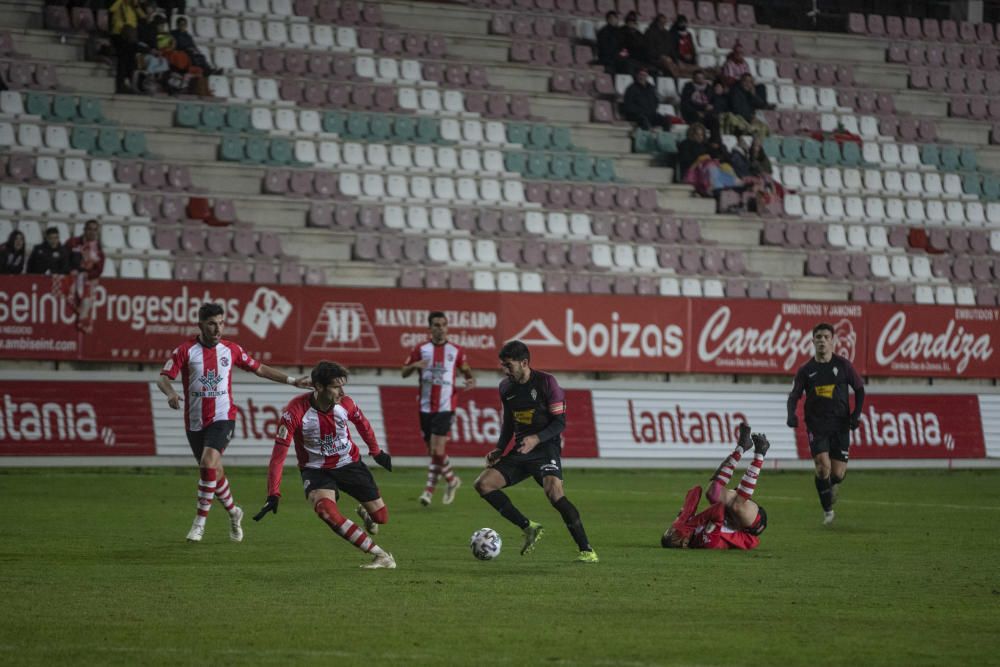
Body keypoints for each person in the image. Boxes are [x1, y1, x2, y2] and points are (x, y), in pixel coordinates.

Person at [156, 302, 313, 543]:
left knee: (208, 462)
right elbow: (163, 378)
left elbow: (260, 369)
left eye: (220, 323)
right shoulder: (185, 351)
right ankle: (233, 512)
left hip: (223, 417)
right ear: (200, 325)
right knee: (213, 471)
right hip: (195, 421)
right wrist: (171, 393)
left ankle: (199, 523)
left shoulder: (232, 350)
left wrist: (293, 380)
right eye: (211, 324)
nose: (217, 329)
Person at [255, 361, 396, 569]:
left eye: (343, 385)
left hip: (349, 463)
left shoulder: (345, 404)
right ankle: (380, 555)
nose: (342, 391)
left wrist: (376, 452)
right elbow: (278, 456)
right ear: (318, 387)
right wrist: (273, 492)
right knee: (325, 510)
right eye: (336, 386)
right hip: (316, 470)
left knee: (381, 518)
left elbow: (363, 425)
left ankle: (367, 515)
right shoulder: (294, 413)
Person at [473, 340, 598, 563]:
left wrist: (536, 438)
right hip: (522, 449)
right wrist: (500, 448)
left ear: (524, 363)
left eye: (509, 365)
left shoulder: (547, 383)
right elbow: (508, 422)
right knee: (483, 484)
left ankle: (587, 550)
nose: (505, 370)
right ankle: (528, 527)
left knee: (554, 493)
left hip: (545, 448)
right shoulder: (506, 387)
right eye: (503, 365)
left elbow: (560, 423)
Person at [786, 322, 866, 525]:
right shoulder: (806, 370)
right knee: (823, 467)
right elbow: (794, 395)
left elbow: (859, 390)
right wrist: (791, 415)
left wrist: (855, 415)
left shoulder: (843, 366)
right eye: (818, 337)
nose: (822, 340)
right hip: (817, 425)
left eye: (826, 337)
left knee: (837, 474)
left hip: (840, 425)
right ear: (813, 341)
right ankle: (828, 511)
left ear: (833, 341)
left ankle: (831, 486)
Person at [401, 311, 475, 507]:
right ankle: (451, 480)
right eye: (436, 324)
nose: (440, 328)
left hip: (446, 405)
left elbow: (466, 370)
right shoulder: (421, 349)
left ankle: (428, 491)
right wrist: (415, 364)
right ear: (430, 328)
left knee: (437, 449)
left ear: (447, 327)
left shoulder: (456, 350)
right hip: (425, 406)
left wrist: (469, 380)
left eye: (443, 324)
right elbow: (404, 372)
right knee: (432, 451)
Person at [662, 426, 769, 550]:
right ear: (684, 544)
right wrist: (690, 524)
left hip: (731, 514)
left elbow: (695, 491)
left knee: (712, 493)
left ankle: (741, 448)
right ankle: (760, 454)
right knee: (736, 506)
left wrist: (683, 517)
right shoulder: (705, 541)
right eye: (674, 535)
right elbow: (718, 509)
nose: (673, 532)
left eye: (670, 531)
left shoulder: (685, 527)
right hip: (750, 526)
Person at [64, 219, 105, 333]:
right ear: (85, 230)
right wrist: (71, 271)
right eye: (89, 229)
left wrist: (87, 274)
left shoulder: (98, 249)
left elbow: (99, 270)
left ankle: (83, 320)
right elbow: (63, 259)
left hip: (86, 281)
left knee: (88, 292)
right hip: (71, 279)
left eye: (94, 230)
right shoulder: (73, 242)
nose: (92, 232)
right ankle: (83, 319)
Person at [108, 0, 146, 94]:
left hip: (131, 36)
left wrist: (136, 6)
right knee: (122, 61)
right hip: (118, 34)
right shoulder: (119, 3)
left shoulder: (133, 5)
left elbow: (143, 16)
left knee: (132, 60)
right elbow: (111, 9)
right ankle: (120, 85)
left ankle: (130, 84)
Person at [722, 73, 773, 138]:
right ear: (741, 81)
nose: (747, 83)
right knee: (751, 128)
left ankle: (758, 146)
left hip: (749, 119)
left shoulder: (750, 93)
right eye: (745, 81)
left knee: (765, 128)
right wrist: (750, 118)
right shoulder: (735, 92)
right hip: (738, 118)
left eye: (750, 82)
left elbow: (761, 105)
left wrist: (754, 95)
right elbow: (737, 109)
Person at [679, 68, 719, 136]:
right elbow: (685, 104)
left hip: (706, 113)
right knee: (698, 119)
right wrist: (697, 111)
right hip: (693, 114)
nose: (700, 79)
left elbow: (715, 101)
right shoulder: (688, 88)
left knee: (715, 121)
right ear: (693, 79)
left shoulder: (709, 88)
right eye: (698, 78)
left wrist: (712, 106)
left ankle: (714, 141)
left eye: (702, 78)